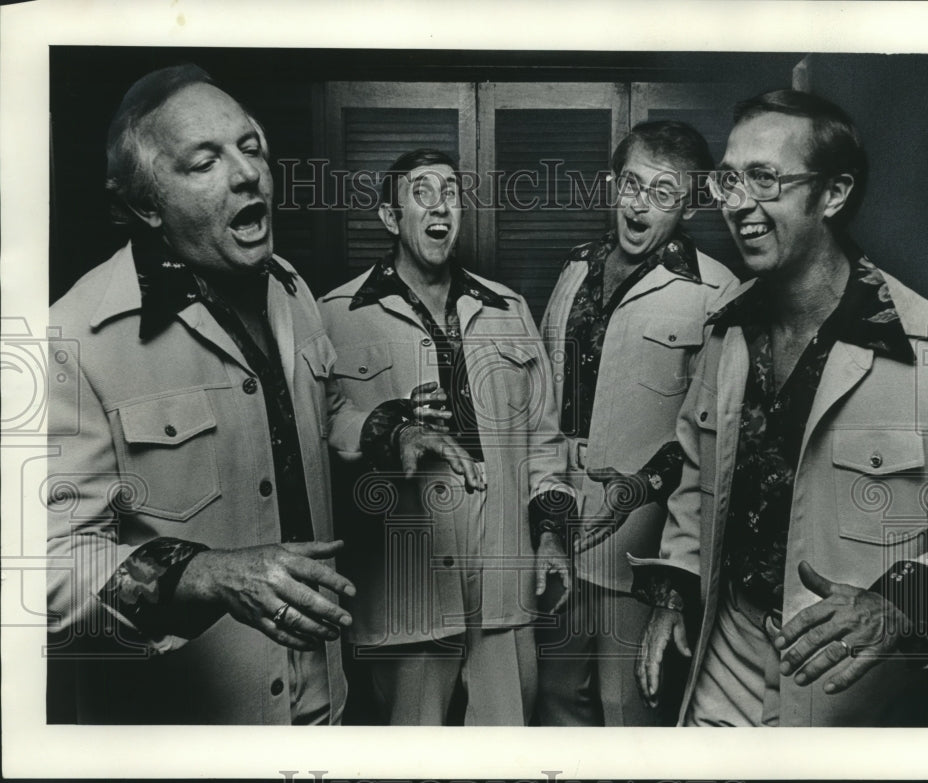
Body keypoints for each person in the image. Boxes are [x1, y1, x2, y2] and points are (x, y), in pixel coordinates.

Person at [46, 66, 479, 725]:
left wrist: (389, 431)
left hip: (323, 695)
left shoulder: (289, 288)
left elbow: (320, 411)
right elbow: (47, 572)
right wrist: (210, 573)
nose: (247, 174)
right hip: (195, 734)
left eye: (250, 147)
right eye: (204, 161)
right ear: (146, 204)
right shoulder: (73, 337)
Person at [629, 89, 928, 726]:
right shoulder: (726, 336)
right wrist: (672, 594)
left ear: (833, 194)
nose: (738, 203)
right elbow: (698, 478)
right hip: (723, 664)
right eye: (729, 178)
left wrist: (904, 600)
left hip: (851, 697)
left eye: (765, 178)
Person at [318, 148, 574, 725]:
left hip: (505, 585)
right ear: (391, 217)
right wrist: (388, 426)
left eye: (451, 192)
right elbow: (321, 432)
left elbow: (544, 445)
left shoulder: (508, 310)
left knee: (507, 754)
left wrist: (552, 534)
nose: (441, 205)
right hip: (408, 589)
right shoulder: (334, 314)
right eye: (422, 191)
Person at [534, 121, 738, 726]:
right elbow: (544, 392)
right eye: (631, 184)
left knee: (628, 709)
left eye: (663, 192)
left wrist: (642, 491)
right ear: (612, 184)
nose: (640, 204)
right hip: (557, 530)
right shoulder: (575, 268)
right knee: (553, 701)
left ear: (690, 205)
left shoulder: (716, 292)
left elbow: (714, 436)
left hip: (641, 548)